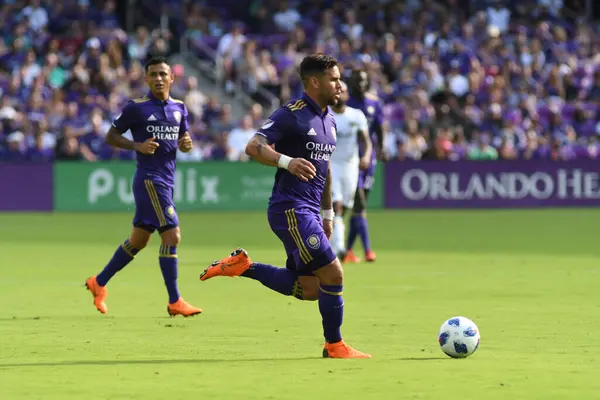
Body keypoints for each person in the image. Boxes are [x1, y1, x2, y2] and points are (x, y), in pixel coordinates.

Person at [199, 53, 370, 359]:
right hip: (290, 208)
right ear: (314, 82)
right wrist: (287, 162)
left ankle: (243, 266)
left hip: (310, 211)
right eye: (334, 79)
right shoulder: (291, 115)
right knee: (334, 275)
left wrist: (328, 213)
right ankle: (335, 346)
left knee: (310, 289)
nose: (340, 84)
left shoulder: (330, 120)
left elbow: (325, 169)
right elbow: (253, 146)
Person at [85, 56, 202, 317]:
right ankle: (175, 301)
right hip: (150, 180)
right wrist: (136, 145)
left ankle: (99, 282)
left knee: (138, 241)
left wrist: (186, 143)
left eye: (163, 74)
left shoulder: (180, 108)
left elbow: (184, 137)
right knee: (172, 236)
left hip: (166, 181)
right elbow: (111, 136)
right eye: (153, 75)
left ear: (172, 78)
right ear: (146, 79)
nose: (159, 79)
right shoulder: (136, 108)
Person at [344, 68, 385, 263]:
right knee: (359, 204)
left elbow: (379, 128)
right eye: (357, 80)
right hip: (351, 160)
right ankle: (368, 250)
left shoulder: (374, 102)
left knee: (361, 206)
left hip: (369, 159)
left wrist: (382, 149)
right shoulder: (345, 103)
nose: (360, 84)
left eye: (363, 80)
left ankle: (349, 249)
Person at [329, 81, 372, 257]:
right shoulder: (326, 115)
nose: (340, 93)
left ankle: (333, 236)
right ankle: (337, 248)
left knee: (346, 206)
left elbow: (366, 140)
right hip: (331, 164)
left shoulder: (356, 115)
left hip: (350, 165)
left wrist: (367, 156)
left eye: (343, 91)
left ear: (347, 95)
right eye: (337, 90)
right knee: (336, 205)